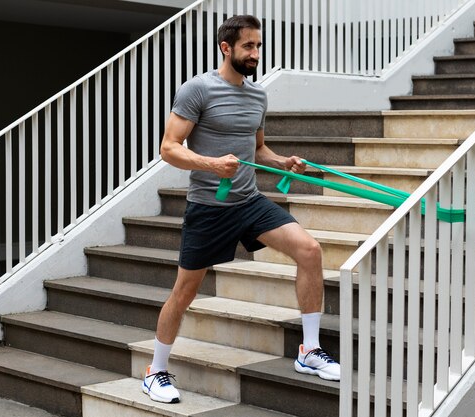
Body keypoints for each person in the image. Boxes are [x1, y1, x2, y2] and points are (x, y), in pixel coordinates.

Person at [141, 14, 340, 404]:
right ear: (226, 48)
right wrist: (212, 165)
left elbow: (257, 147)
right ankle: (155, 371)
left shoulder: (257, 96)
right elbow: (169, 148)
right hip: (209, 207)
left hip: (249, 201)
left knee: (310, 250)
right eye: (248, 46)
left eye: (258, 46)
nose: (255, 53)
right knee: (185, 291)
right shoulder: (197, 89)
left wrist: (282, 161)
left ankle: (309, 351)